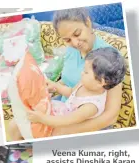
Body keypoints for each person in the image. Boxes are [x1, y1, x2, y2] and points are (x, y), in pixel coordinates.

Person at [48, 7, 123, 135]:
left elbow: (111, 116)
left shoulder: (109, 57)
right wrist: (51, 88)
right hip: (65, 109)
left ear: (87, 23)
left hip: (86, 123)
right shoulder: (71, 49)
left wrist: (62, 131)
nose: (75, 43)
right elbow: (67, 80)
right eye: (67, 40)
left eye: (77, 34)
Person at [27, 47, 126, 132]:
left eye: (86, 72)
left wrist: (42, 119)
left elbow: (65, 121)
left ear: (101, 82)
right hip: (62, 111)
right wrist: (56, 86)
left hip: (63, 123)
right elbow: (71, 92)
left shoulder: (90, 106)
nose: (82, 73)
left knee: (30, 123)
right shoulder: (85, 83)